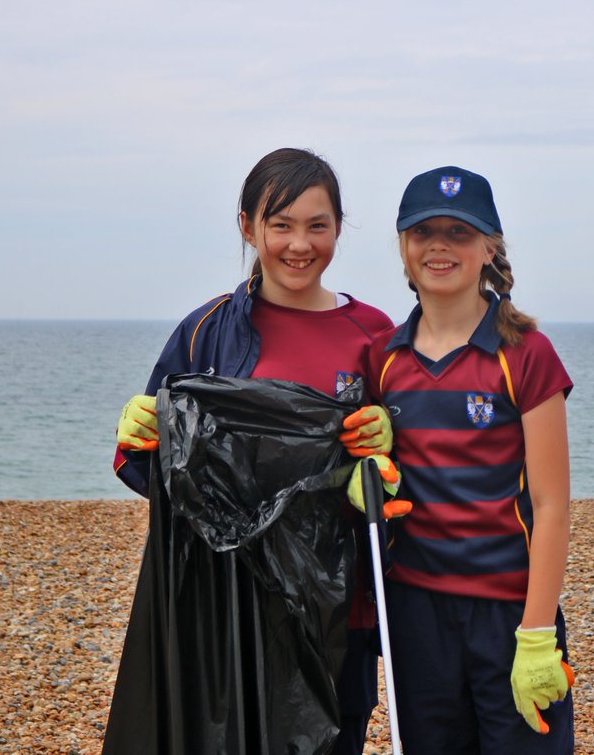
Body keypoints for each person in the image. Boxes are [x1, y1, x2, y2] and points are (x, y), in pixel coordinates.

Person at [110, 147, 393, 754]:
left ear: (339, 228)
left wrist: (390, 441)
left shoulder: (375, 333)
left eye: (317, 225)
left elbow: (408, 470)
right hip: (227, 603)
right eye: (280, 224)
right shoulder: (207, 329)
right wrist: (139, 433)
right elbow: (153, 470)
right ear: (248, 227)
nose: (299, 244)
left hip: (339, 602)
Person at [360, 165, 575, 753]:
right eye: (423, 231)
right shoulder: (381, 358)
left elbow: (553, 505)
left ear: (489, 248)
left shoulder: (526, 352)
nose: (439, 246)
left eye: (459, 232)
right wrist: (359, 476)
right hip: (415, 610)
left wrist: (537, 631)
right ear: (403, 247)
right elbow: (368, 463)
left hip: (509, 612)